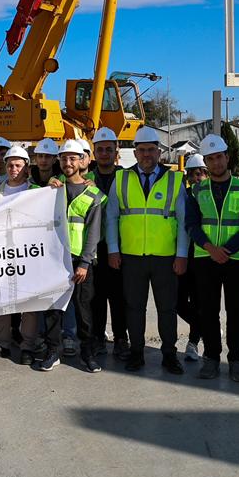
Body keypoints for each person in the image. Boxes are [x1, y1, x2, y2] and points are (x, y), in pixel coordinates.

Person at [106, 125, 189, 374]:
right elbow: (111, 217)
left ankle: (169, 354)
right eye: (141, 150)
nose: (146, 155)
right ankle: (136, 353)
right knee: (134, 307)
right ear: (136, 152)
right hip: (132, 257)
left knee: (167, 308)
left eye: (151, 150)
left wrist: (182, 254)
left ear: (159, 152)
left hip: (166, 257)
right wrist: (112, 249)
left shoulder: (175, 179)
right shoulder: (121, 179)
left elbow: (184, 221)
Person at [185, 134, 239, 383]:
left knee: (236, 312)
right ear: (205, 162)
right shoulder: (196, 191)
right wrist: (210, 248)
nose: (216, 162)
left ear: (227, 157)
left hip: (236, 259)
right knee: (208, 311)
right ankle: (212, 358)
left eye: (219, 157)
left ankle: (236, 359)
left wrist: (225, 250)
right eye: (211, 159)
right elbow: (191, 225)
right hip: (205, 259)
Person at [51, 139, 104, 373]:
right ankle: (53, 352)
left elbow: (93, 233)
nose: (68, 162)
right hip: (55, 260)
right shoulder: (52, 190)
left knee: (84, 312)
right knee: (54, 310)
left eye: (73, 158)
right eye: (64, 158)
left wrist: (84, 262)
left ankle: (88, 354)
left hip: (81, 263)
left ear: (82, 161)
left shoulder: (93, 194)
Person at [88, 127, 129, 361]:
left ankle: (121, 337)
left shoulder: (126, 177)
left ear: (116, 151)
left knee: (118, 294)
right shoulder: (86, 177)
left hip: (120, 246)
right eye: (100, 149)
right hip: (93, 246)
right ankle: (97, 337)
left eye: (108, 149)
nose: (104, 153)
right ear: (94, 152)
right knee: (96, 296)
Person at [179, 152, 208, 362]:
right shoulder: (183, 196)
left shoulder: (212, 198)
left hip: (204, 257)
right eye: (192, 174)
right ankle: (205, 326)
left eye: (200, 174)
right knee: (178, 302)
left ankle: (193, 343)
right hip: (184, 255)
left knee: (200, 302)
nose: (196, 178)